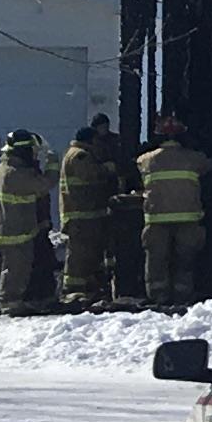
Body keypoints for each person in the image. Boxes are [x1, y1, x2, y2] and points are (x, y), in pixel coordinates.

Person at [55, 116, 125, 310]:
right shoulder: (81, 156)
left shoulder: (75, 153)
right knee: (80, 253)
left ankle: (87, 286)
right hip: (81, 214)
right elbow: (91, 175)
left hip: (86, 214)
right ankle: (74, 290)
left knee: (88, 252)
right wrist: (108, 168)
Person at [138, 115, 208, 307]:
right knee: (185, 260)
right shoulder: (195, 158)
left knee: (157, 261)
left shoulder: (145, 160)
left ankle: (158, 297)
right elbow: (207, 166)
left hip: (156, 220)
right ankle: (183, 296)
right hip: (188, 219)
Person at [0, 131, 50, 314]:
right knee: (16, 267)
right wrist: (53, 164)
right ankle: (11, 302)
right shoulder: (15, 173)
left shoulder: (1, 169)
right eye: (33, 151)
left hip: (3, 227)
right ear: (24, 151)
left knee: (0, 267)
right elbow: (44, 185)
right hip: (17, 229)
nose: (35, 156)